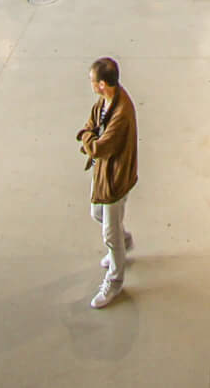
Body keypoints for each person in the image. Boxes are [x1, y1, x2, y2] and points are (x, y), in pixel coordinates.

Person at [77, 57, 138, 309]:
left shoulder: (121, 113)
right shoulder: (105, 102)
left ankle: (115, 281)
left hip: (115, 178)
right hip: (103, 173)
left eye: (92, 80)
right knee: (97, 212)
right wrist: (89, 137)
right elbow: (90, 126)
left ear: (102, 84)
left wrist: (88, 140)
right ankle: (124, 242)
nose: (90, 84)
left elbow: (101, 147)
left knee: (109, 233)